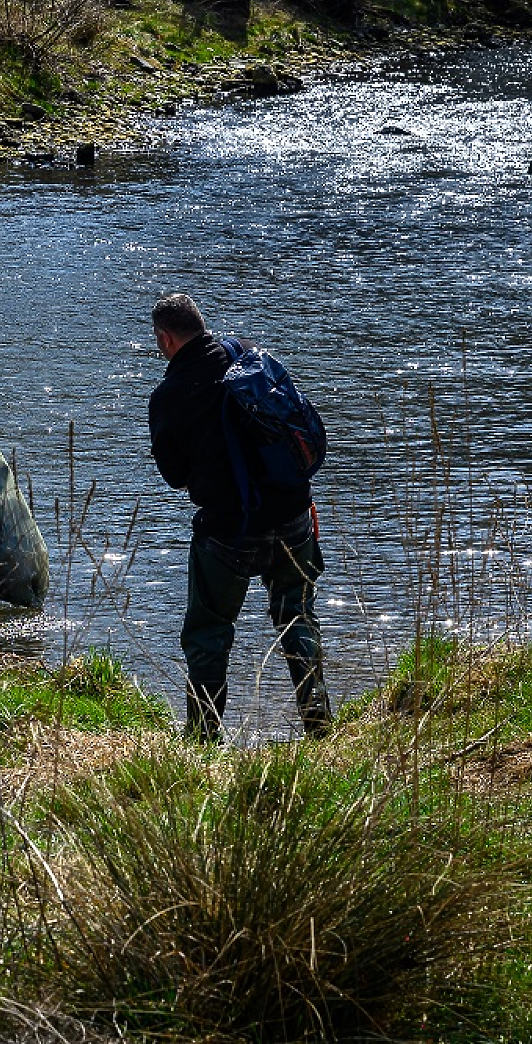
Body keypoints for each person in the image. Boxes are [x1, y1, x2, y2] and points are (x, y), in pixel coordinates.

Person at [148, 293, 330, 742]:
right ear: (203, 325)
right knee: (298, 620)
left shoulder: (170, 395)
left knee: (209, 635)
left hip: (229, 533)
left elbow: (173, 476)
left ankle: (205, 741)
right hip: (295, 517)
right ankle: (320, 726)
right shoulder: (248, 352)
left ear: (166, 338)